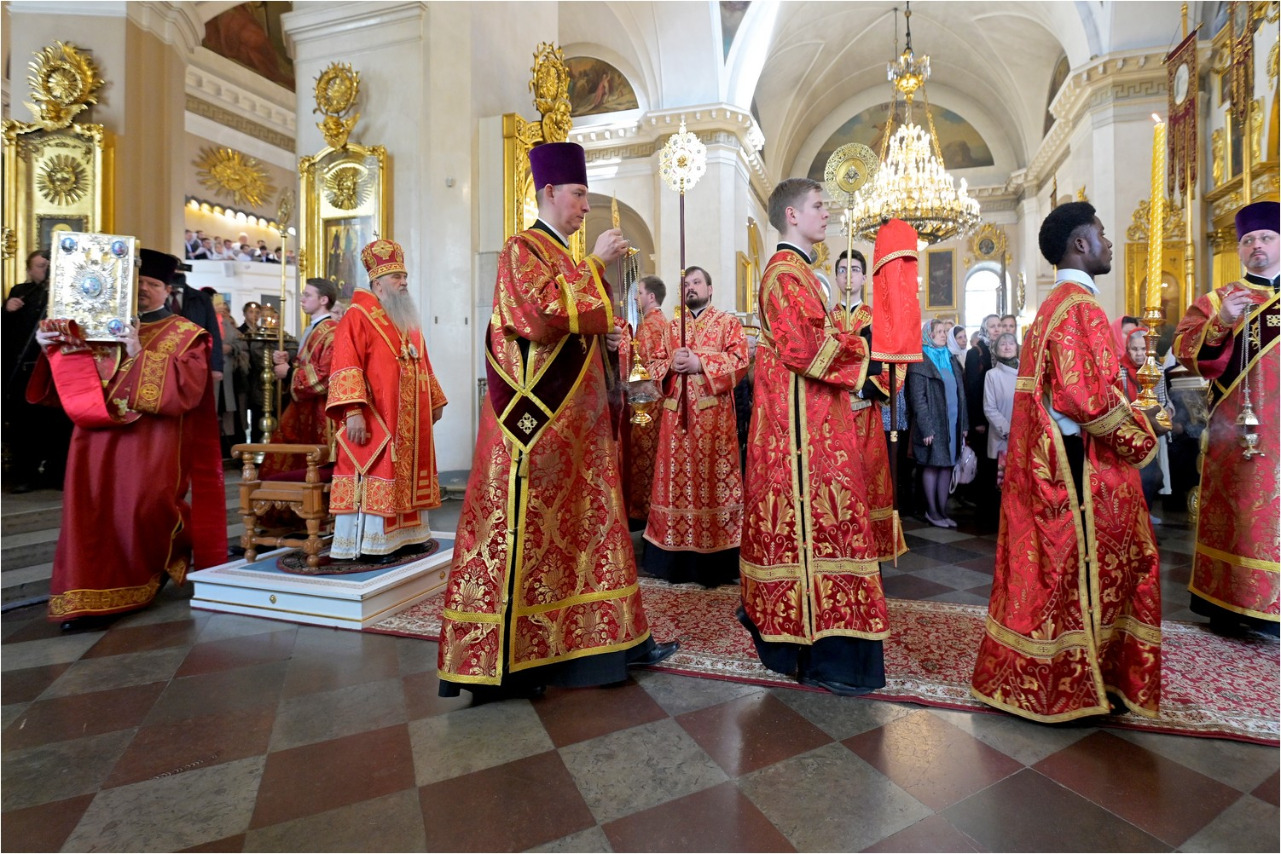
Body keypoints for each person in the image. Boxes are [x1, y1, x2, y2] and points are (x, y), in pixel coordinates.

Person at [438, 141, 677, 701]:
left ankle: (611, 644)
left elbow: (581, 322)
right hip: (537, 431)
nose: (585, 205)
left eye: (586, 194)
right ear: (548, 192)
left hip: (581, 429)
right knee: (535, 538)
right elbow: (540, 318)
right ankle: (519, 661)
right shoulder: (521, 250)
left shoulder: (568, 260)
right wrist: (596, 265)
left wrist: (611, 337)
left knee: (594, 534)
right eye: (578, 193)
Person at [972, 201, 1167, 722]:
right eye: (1101, 234)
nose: (1108, 243)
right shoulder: (1078, 307)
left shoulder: (1054, 304)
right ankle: (1077, 681)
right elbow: (1083, 397)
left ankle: (1066, 676)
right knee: (1090, 566)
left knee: (1055, 571)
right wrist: (1141, 434)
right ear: (1080, 244)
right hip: (1078, 465)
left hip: (1054, 461)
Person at [738, 177, 888, 697]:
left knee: (835, 525)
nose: (827, 214)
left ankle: (821, 649)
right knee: (821, 525)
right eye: (818, 206)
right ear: (792, 216)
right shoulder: (783, 274)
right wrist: (864, 355)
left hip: (819, 424)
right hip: (800, 436)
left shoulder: (803, 273)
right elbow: (802, 348)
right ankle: (820, 654)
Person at [29, 249, 226, 629]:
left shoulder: (186, 335)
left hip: (153, 443)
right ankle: (88, 596)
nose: (142, 291)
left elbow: (186, 391)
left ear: (167, 290)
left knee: (141, 508)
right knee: (90, 512)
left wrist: (138, 349)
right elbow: (71, 384)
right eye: (136, 284)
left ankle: (149, 570)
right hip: (93, 441)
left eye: (152, 284)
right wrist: (50, 345)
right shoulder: (96, 328)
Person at [1172, 200, 1279, 635]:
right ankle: (1232, 603)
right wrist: (1222, 323)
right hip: (1238, 433)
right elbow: (1186, 352)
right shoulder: (1219, 299)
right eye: (1248, 240)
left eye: (1267, 238)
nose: (1257, 246)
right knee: (1240, 515)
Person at [325, 239, 446, 563]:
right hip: (378, 414)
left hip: (412, 416)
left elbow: (422, 359)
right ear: (377, 283)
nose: (404, 282)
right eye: (397, 277)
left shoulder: (404, 316)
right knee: (380, 465)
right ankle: (372, 542)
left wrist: (433, 399)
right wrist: (353, 411)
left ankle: (410, 537)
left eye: (404, 275)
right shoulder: (358, 315)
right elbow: (346, 362)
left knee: (409, 469)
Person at [642, 265, 748, 587]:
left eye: (697, 282)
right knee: (675, 487)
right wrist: (670, 365)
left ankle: (716, 560)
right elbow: (653, 364)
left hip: (714, 424)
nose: (690, 288)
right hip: (675, 422)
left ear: (710, 289)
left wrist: (700, 362)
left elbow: (740, 360)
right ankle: (672, 560)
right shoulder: (672, 328)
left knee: (711, 484)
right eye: (686, 284)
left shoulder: (728, 323)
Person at [834, 247, 906, 562]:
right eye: (841, 269)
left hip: (865, 416)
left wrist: (863, 388)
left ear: (864, 277)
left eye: (853, 269)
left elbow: (896, 367)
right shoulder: (824, 318)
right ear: (835, 277)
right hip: (830, 416)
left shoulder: (878, 319)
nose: (847, 274)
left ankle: (869, 549)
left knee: (866, 480)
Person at [3, 249, 73, 493]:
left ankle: (57, 473)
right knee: (25, 427)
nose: (46, 270)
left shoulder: (66, 291)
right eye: (41, 266)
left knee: (57, 424)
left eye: (49, 265)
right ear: (29, 269)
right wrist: (6, 310)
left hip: (57, 370)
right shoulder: (20, 293)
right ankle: (25, 474)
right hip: (25, 370)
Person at [262, 278, 339, 477]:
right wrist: (292, 361)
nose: (302, 299)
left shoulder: (332, 331)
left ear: (323, 300)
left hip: (320, 412)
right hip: (305, 409)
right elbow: (310, 363)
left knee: (304, 466)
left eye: (307, 295)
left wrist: (289, 373)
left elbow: (325, 375)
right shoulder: (315, 328)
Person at [906, 319, 968, 528]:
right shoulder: (920, 361)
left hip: (952, 423)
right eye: (939, 332)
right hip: (934, 424)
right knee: (933, 466)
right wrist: (926, 428)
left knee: (947, 466)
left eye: (944, 331)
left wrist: (964, 425)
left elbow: (961, 394)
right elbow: (918, 399)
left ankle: (942, 511)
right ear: (928, 335)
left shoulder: (950, 358)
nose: (943, 334)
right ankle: (932, 511)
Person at [1116, 326, 1169, 522]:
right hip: (1128, 427)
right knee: (1131, 475)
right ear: (1128, 350)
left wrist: (1156, 415)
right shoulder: (1120, 371)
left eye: (1143, 349)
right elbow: (1118, 401)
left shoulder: (1157, 369)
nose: (1139, 354)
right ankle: (1132, 513)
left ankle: (1145, 511)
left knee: (1153, 475)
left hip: (1150, 427)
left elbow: (1162, 399)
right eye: (1134, 349)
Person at [627, 274, 667, 527]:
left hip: (647, 402)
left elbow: (638, 363)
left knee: (643, 456)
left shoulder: (650, 325)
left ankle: (641, 512)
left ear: (651, 297)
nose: (634, 297)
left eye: (639, 293)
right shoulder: (663, 322)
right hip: (659, 401)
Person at [963, 312, 1000, 529]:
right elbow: (974, 389)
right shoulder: (976, 353)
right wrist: (977, 419)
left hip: (999, 418)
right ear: (985, 328)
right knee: (985, 466)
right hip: (983, 419)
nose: (996, 329)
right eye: (992, 326)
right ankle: (984, 512)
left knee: (996, 466)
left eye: (998, 325)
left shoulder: (1003, 350)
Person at [167, 271, 224, 379]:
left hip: (194, 359)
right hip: (164, 357)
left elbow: (213, 332)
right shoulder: (158, 296)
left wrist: (216, 366)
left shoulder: (201, 299)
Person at [981, 332, 1018, 493]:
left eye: (1011, 343)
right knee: (1001, 486)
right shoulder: (992, 375)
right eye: (1003, 344)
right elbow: (989, 408)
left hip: (1024, 436)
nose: (1008, 346)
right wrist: (1009, 431)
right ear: (996, 350)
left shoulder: (1026, 373)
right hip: (1002, 437)